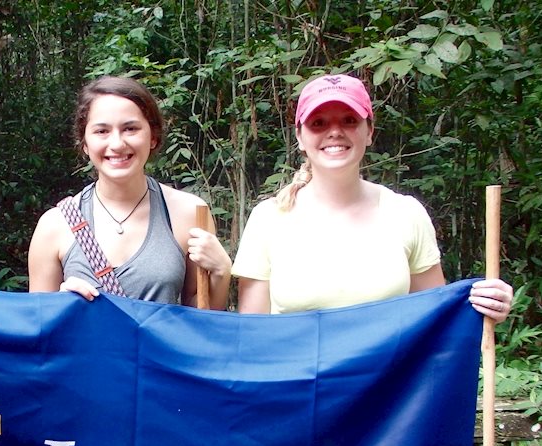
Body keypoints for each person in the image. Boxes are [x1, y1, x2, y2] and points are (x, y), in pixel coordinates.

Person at [234, 73, 513, 320]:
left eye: (349, 120)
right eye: (318, 122)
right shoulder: (268, 219)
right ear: (300, 137)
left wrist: (483, 307)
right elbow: (253, 336)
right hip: (297, 378)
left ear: (369, 132)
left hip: (391, 380)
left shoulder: (406, 214)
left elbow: (434, 321)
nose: (334, 132)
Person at [28, 76, 232, 308]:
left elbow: (201, 319)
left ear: (153, 137)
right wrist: (61, 305)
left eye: (130, 129)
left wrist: (222, 272)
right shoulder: (55, 226)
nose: (116, 144)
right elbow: (40, 327)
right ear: (84, 143)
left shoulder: (190, 214)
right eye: (102, 131)